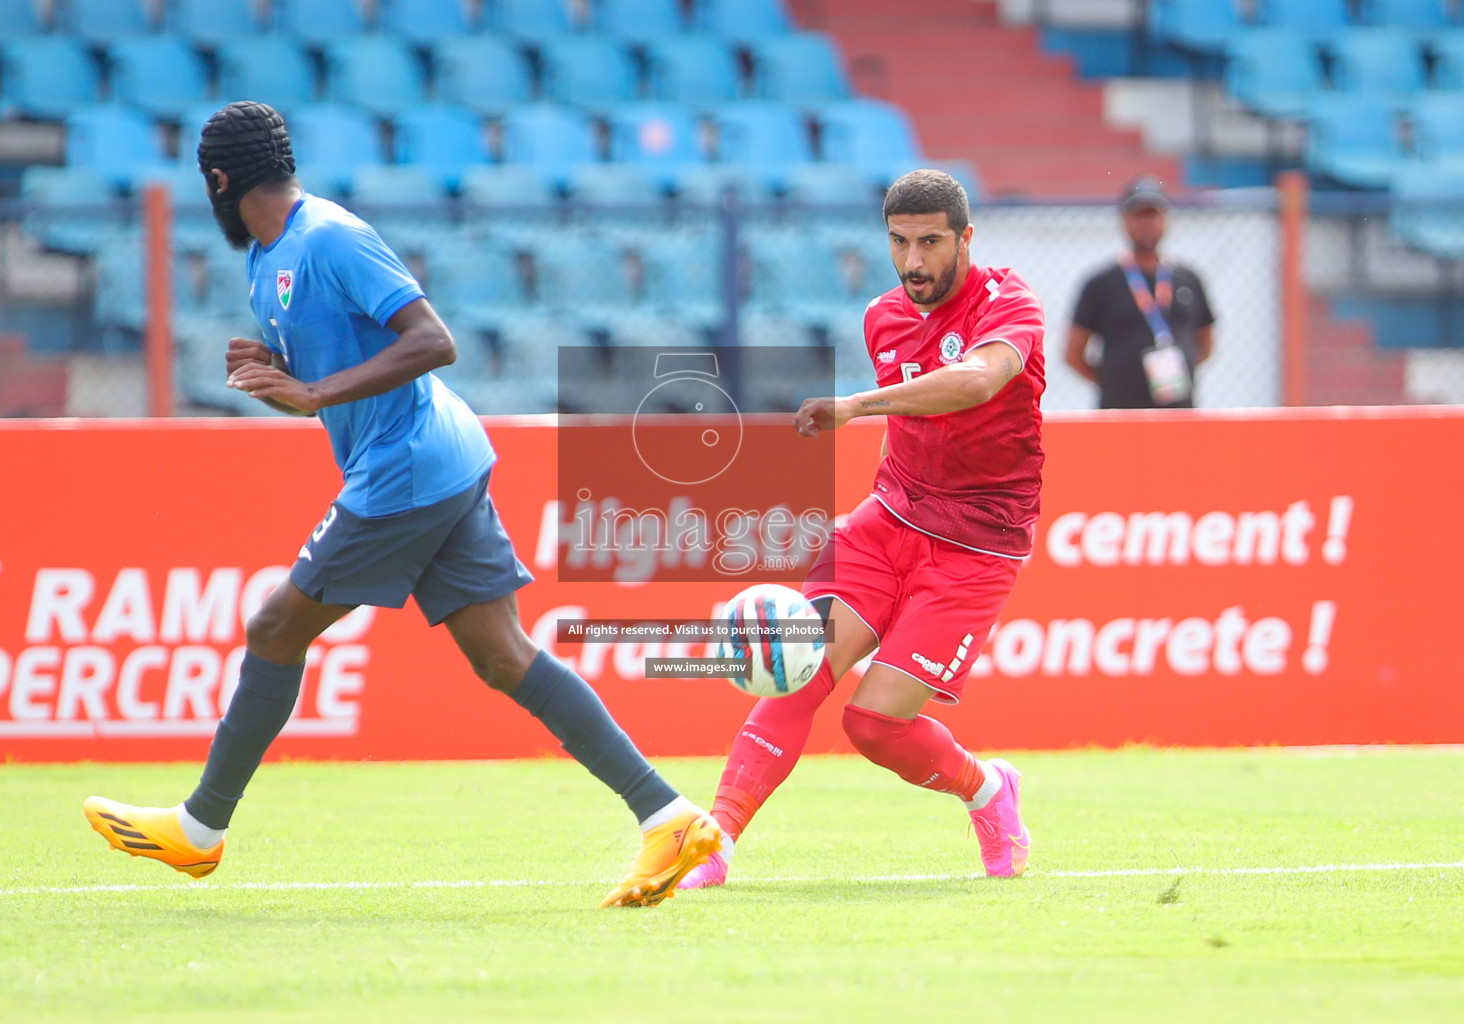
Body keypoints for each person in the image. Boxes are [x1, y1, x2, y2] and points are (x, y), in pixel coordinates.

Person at [83, 101, 720, 909]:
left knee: (276, 626)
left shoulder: (330, 237)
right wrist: (278, 360)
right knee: (502, 655)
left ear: (216, 179)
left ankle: (200, 829)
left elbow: (432, 340)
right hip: (438, 459)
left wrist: (312, 391)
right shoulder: (269, 257)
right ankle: (667, 815)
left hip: (406, 468)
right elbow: (348, 342)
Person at [681, 168, 1041, 890]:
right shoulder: (883, 316)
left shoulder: (1009, 302)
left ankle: (988, 792)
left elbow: (974, 382)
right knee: (797, 673)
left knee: (873, 727)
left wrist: (856, 404)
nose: (915, 262)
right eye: (900, 243)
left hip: (977, 547)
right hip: (887, 523)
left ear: (965, 238)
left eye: (932, 243)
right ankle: (711, 846)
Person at [1065, 175, 1216, 409]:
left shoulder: (1189, 279)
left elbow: (1205, 342)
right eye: (1138, 215)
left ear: (1166, 219)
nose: (1146, 223)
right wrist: (1114, 380)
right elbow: (1073, 352)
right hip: (1120, 412)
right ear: (1124, 220)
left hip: (1178, 413)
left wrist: (1177, 370)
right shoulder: (1100, 284)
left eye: (1153, 214)